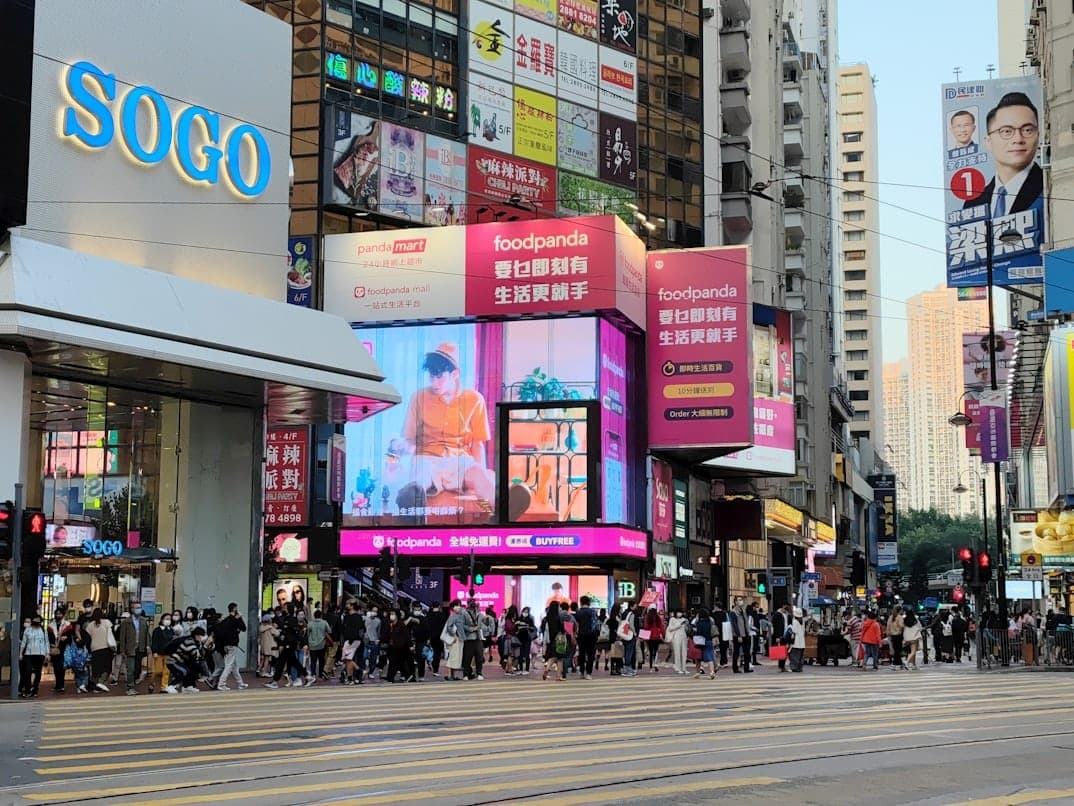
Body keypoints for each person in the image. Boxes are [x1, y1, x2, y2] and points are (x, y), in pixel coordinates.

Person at [397, 343, 495, 517]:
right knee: (421, 478)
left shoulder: (474, 399)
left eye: (439, 377)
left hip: (460, 460)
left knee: (481, 477)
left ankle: (499, 511)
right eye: (431, 377)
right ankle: (410, 504)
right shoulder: (418, 398)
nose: (434, 383)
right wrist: (400, 453)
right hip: (426, 457)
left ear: (455, 374)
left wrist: (479, 477)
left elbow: (478, 443)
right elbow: (410, 439)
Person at [963, 92, 1042, 216]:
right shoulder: (973, 203)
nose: (1018, 139)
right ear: (988, 142)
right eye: (1006, 131)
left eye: (1027, 130)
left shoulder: (1048, 185)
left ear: (1038, 136)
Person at [210, 602, 249, 690]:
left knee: (234, 666)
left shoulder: (225, 620)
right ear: (235, 609)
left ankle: (240, 683)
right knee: (229, 665)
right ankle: (221, 683)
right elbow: (244, 628)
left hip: (225, 645)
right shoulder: (235, 619)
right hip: (232, 645)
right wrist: (240, 618)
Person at [163, 626, 208, 694]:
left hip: (180, 661)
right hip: (173, 661)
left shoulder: (195, 642)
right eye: (201, 636)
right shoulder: (189, 641)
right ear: (196, 635)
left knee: (193, 669)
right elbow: (196, 655)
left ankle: (188, 686)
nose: (202, 637)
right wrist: (205, 646)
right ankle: (170, 686)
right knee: (184, 671)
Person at [117, 604, 150, 695]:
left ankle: (134, 683)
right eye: (136, 608)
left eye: (139, 608)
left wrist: (147, 645)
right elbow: (122, 637)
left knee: (137, 668)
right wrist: (122, 650)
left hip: (140, 648)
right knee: (130, 668)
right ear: (132, 609)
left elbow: (147, 635)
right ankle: (130, 687)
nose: (138, 609)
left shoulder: (143, 621)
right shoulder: (126, 622)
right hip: (130, 648)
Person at [82, 608, 114, 692]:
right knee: (106, 667)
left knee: (96, 669)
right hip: (106, 648)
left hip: (95, 648)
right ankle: (101, 683)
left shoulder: (90, 625)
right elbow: (111, 634)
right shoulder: (107, 622)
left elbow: (87, 638)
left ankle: (88, 685)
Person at [18, 616, 49, 698]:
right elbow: (24, 642)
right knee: (27, 671)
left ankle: (35, 690)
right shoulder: (27, 630)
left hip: (40, 654)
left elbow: (46, 642)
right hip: (29, 654)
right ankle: (27, 690)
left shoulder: (43, 630)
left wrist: (47, 654)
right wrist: (21, 653)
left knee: (38, 673)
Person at [149, 612, 177, 693]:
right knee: (157, 671)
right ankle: (151, 682)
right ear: (162, 620)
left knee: (166, 671)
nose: (168, 621)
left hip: (168, 654)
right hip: (158, 653)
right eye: (166, 619)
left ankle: (163, 687)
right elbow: (154, 642)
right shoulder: (157, 630)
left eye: (169, 619)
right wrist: (154, 651)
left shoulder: (171, 630)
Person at [384, 609, 414, 683]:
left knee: (394, 662)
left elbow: (407, 636)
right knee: (397, 663)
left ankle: (390, 678)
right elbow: (386, 635)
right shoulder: (389, 624)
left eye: (393, 614)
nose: (392, 616)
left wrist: (410, 645)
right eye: (391, 614)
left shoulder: (401, 624)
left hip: (401, 647)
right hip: (392, 646)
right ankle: (408, 676)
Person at [339, 599, 365, 685]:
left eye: (348, 604)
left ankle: (352, 677)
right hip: (348, 639)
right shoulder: (347, 616)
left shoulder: (357, 617)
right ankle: (356, 672)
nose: (346, 605)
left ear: (352, 605)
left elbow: (359, 629)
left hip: (354, 640)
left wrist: (352, 639)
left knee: (348, 659)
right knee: (347, 659)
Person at [48, 609, 73, 694]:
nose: (58, 615)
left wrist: (66, 638)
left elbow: (70, 637)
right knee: (55, 667)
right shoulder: (51, 625)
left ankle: (61, 685)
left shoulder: (67, 625)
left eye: (59, 614)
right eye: (57, 614)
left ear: (63, 615)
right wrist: (52, 644)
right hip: (54, 649)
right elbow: (49, 637)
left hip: (64, 649)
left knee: (61, 668)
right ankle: (57, 685)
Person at [574, 596, 599, 679]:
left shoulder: (578, 612)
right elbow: (596, 624)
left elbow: (575, 625)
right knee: (591, 654)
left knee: (581, 654)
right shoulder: (593, 612)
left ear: (581, 602)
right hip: (591, 636)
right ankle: (589, 673)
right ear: (589, 603)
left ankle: (581, 672)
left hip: (581, 635)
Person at [442, 599, 466, 681]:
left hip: (460, 639)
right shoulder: (452, 616)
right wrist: (453, 636)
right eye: (457, 605)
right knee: (453, 656)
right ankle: (449, 675)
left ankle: (454, 675)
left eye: (459, 605)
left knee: (457, 657)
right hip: (455, 640)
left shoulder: (460, 616)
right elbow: (449, 627)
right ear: (453, 607)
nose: (459, 607)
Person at [461, 600, 485, 681]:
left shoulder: (479, 613)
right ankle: (466, 674)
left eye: (474, 602)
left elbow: (483, 623)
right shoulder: (464, 613)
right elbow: (462, 625)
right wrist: (471, 629)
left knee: (479, 657)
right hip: (469, 638)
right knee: (467, 658)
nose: (473, 604)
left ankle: (479, 673)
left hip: (478, 638)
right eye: (471, 602)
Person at [542, 602, 566, 681]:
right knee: (560, 658)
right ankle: (558, 676)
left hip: (551, 639)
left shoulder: (547, 617)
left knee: (553, 656)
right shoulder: (558, 617)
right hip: (559, 639)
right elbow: (562, 628)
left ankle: (547, 669)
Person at [304, 608, 329, 686]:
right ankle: (320, 673)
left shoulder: (310, 624)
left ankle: (313, 674)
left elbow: (307, 634)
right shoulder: (324, 623)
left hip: (312, 645)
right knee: (321, 660)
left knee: (313, 661)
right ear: (321, 615)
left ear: (314, 616)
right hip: (322, 644)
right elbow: (329, 630)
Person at [691, 608, 717, 679]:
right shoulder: (710, 622)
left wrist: (695, 630)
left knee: (698, 658)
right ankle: (712, 672)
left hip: (701, 641)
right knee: (709, 657)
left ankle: (697, 672)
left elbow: (699, 632)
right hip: (709, 640)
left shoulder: (699, 623)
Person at [729, 597, 752, 673]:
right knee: (736, 652)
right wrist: (738, 635)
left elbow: (746, 622)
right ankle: (735, 668)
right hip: (738, 635)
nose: (740, 601)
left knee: (747, 652)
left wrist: (748, 632)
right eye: (738, 600)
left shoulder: (743, 610)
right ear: (735, 602)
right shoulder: (733, 612)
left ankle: (746, 668)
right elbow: (734, 625)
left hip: (746, 634)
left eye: (741, 600)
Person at [615, 602, 638, 677]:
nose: (636, 607)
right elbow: (631, 625)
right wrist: (634, 633)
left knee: (626, 652)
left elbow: (620, 623)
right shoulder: (631, 614)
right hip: (630, 635)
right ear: (632, 606)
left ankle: (627, 669)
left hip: (624, 635)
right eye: (635, 606)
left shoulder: (624, 613)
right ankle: (627, 669)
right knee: (629, 652)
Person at [408, 604, 429, 681]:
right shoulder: (410, 618)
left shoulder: (424, 618)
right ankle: (411, 675)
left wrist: (427, 640)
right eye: (415, 609)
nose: (417, 610)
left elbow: (427, 630)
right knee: (410, 659)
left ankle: (421, 675)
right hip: (411, 641)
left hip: (421, 641)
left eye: (418, 609)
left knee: (421, 658)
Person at [426, 602, 447, 677]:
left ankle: (429, 661)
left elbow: (427, 626)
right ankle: (435, 670)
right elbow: (445, 626)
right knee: (437, 654)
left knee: (429, 651)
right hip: (439, 637)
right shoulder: (442, 615)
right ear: (439, 606)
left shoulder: (428, 615)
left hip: (430, 637)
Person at [641, 606, 665, 673]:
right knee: (656, 651)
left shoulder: (647, 617)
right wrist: (663, 634)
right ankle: (656, 664)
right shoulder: (657, 617)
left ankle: (651, 667)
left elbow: (645, 627)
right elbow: (661, 626)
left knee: (650, 651)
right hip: (656, 636)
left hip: (649, 636)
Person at [771, 604, 792, 672]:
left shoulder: (787, 615)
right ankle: (781, 666)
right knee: (781, 651)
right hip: (780, 635)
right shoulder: (777, 615)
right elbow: (775, 626)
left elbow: (790, 624)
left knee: (785, 651)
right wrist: (777, 636)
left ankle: (782, 666)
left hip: (786, 635)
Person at [516, 606, 536, 675]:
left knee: (527, 654)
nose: (525, 613)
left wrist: (527, 627)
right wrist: (518, 626)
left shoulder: (530, 619)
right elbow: (516, 628)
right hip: (520, 638)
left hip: (527, 638)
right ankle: (520, 669)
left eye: (527, 612)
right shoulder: (519, 619)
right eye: (524, 611)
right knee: (520, 654)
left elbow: (533, 628)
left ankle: (527, 669)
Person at [363, 607, 382, 680]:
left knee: (373, 659)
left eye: (376, 611)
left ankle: (370, 672)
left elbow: (378, 631)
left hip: (374, 641)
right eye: (373, 611)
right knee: (364, 656)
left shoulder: (378, 621)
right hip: (366, 640)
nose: (374, 612)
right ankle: (363, 670)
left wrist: (378, 639)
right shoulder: (365, 619)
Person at [788, 607, 807, 672]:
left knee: (794, 656)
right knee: (800, 657)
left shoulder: (795, 622)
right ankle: (800, 668)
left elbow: (794, 632)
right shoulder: (803, 622)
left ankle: (794, 668)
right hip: (802, 643)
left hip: (796, 643)